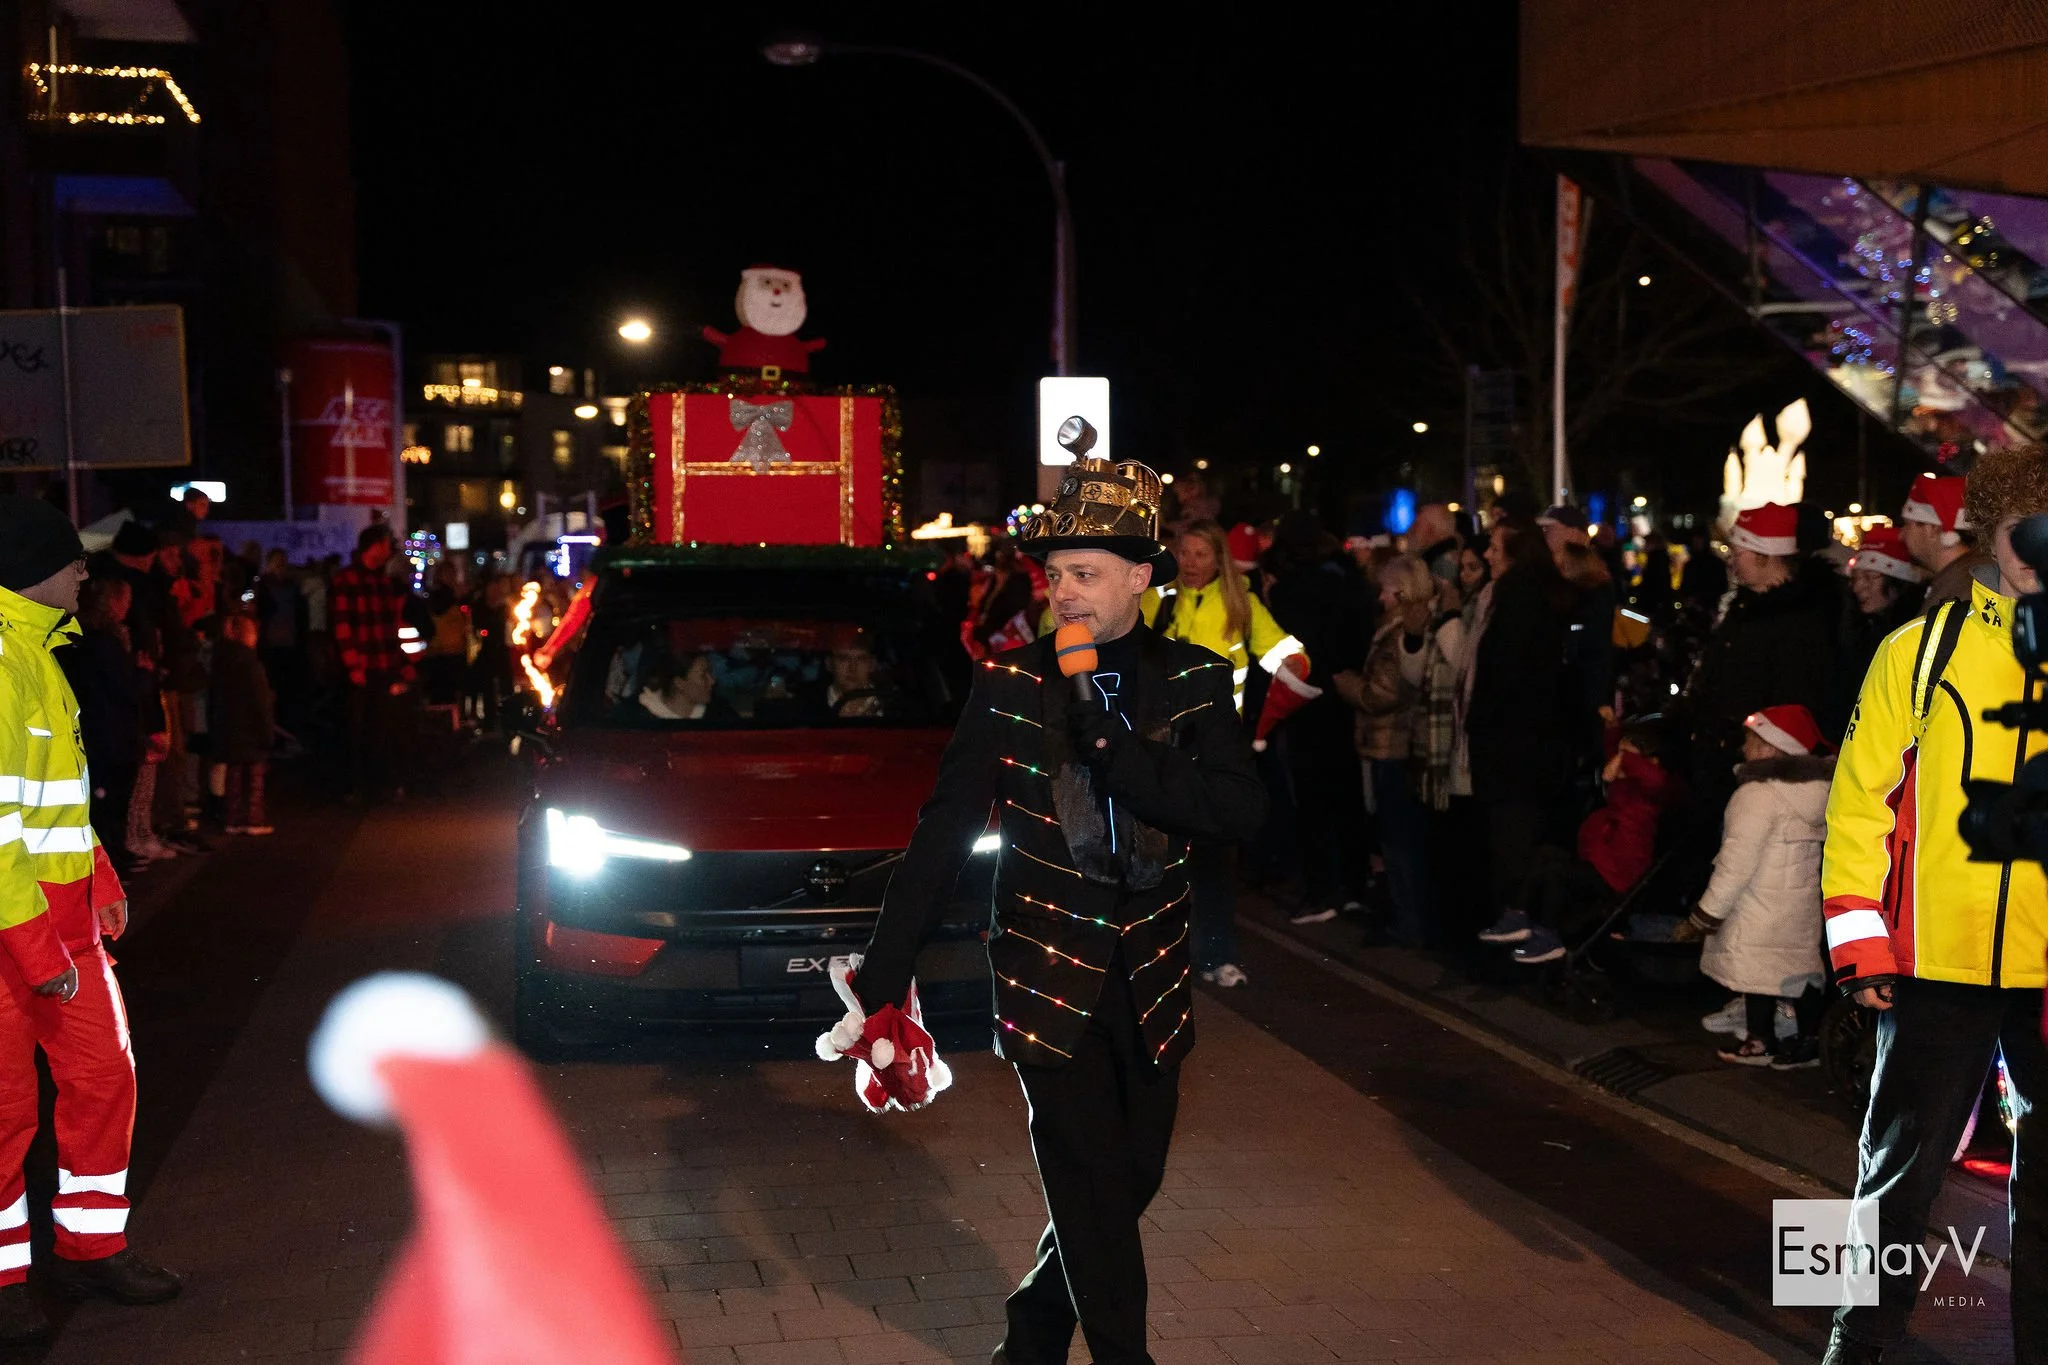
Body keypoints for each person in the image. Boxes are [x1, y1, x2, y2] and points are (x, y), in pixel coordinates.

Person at [844, 449, 1265, 1365]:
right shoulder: (1007, 687)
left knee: (1124, 1182)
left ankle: (1034, 1329)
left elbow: (1241, 811)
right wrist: (884, 974)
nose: (1064, 592)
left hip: (1152, 980)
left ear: (1141, 579)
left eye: (1086, 574)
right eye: (1056, 574)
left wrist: (1130, 758)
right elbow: (942, 834)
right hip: (1044, 979)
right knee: (1085, 1174)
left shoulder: (1196, 679)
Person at [1819, 444, 2048, 1365]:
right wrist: (1861, 941)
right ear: (1988, 530)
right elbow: (1857, 800)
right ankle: (1857, 1339)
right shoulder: (1918, 651)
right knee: (1897, 1175)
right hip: (1929, 963)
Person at [0, 499, 182, 1343]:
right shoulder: (9, 662)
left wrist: (102, 873)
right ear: (32, 566)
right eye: (71, 561)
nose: (86, 573)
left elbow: (54, 807)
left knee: (104, 1081)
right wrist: (38, 949)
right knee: (4, 1114)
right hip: (21, 940)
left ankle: (90, 1246)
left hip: (58, 928)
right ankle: (5, 1279)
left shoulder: (39, 654)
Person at [1151, 521, 1306, 986]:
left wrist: (1295, 671)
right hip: (1159, 747)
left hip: (1218, 751)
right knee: (1157, 859)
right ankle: (1158, 956)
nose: (1192, 563)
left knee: (1216, 860)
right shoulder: (1154, 599)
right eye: (1185, 553)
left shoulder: (1241, 605)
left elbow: (1284, 652)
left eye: (1202, 554)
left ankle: (1216, 956)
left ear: (1219, 560)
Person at [1669, 705, 1830, 1069]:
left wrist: (1705, 915)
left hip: (1758, 903)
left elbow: (1735, 864)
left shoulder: (1756, 795)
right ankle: (1808, 1042)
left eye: (1752, 740)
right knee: (1799, 970)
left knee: (1757, 972)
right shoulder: (1817, 792)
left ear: (1773, 748)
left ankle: (1761, 1041)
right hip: (1797, 902)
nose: (1744, 748)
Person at [1682, 503, 1832, 828]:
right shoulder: (1743, 610)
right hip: (1724, 763)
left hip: (1758, 774)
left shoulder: (1798, 623)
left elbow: (1793, 703)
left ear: (1766, 555)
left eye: (1740, 551)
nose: (1731, 560)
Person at [1482, 715, 1673, 963]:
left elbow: (1655, 778)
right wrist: (1612, 729)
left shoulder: (1646, 796)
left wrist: (1625, 758)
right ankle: (1517, 916)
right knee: (1545, 854)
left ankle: (1548, 936)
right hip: (1600, 865)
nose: (1617, 763)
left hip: (1616, 878)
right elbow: (1612, 752)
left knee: (1555, 870)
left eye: (1626, 758)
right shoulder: (1624, 787)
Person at [1463, 519, 1571, 935]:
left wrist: (1484, 727)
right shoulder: (1527, 598)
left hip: (1512, 753)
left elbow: (1505, 680)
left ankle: (1519, 929)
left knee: (1513, 846)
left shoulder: (1518, 602)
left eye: (1494, 547)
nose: (1488, 554)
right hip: (1523, 751)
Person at [1264, 511, 1371, 925]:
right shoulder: (1347, 579)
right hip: (1344, 695)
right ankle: (1353, 885)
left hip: (1307, 700)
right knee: (1346, 797)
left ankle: (1321, 888)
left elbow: (1286, 649)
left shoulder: (1294, 587)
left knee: (1311, 799)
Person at [1334, 554, 1433, 947]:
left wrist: (1347, 684)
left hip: (1391, 745)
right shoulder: (1395, 630)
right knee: (1397, 839)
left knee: (1399, 841)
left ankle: (1410, 922)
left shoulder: (1399, 635)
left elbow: (1384, 694)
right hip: (1387, 744)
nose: (1380, 597)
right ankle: (1408, 917)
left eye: (1386, 590)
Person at [59, 577, 142, 874]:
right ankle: (110, 860)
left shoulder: (84, 640)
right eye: (124, 601)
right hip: (109, 733)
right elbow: (121, 687)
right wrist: (140, 673)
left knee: (109, 800)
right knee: (109, 800)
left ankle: (114, 855)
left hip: (102, 730)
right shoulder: (102, 642)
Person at [331, 525, 415, 802]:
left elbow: (391, 628)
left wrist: (401, 663)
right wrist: (353, 665)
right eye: (387, 544)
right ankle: (357, 785)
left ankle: (378, 784)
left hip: (383, 665)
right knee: (357, 728)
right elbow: (342, 627)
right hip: (362, 667)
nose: (390, 549)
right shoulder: (347, 580)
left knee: (382, 727)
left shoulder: (383, 583)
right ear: (375, 546)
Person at [1824, 527, 1923, 739]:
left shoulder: (1913, 634)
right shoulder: (1853, 629)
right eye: (1855, 578)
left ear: (1897, 583)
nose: (1859, 587)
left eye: (1870, 577)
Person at [210, 615, 276, 836]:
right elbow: (261, 702)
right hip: (251, 731)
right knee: (254, 778)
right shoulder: (251, 664)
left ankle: (232, 817)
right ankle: (253, 818)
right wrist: (268, 732)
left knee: (235, 776)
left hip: (230, 729)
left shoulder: (222, 661)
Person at [1898, 472, 1988, 607]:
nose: (1901, 535)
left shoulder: (1963, 585)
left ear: (1932, 528)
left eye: (1907, 524)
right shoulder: (1958, 578)